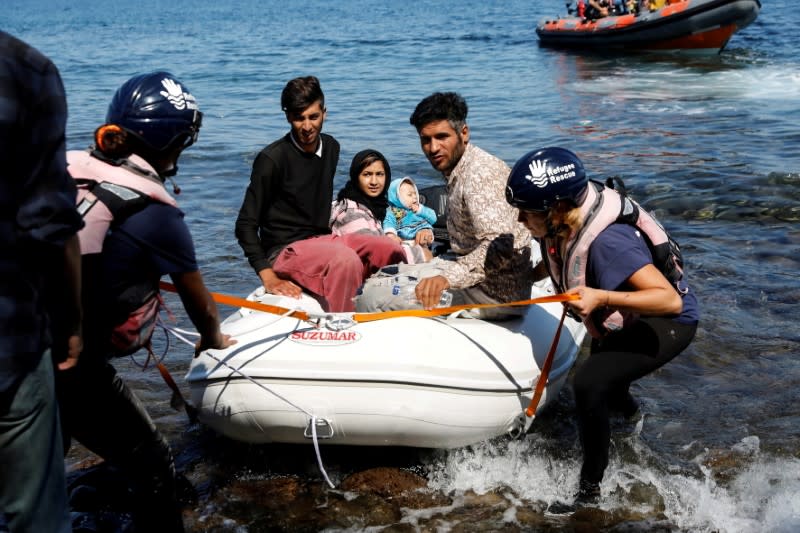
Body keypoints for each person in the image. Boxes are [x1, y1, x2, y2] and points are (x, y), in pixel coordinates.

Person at [58, 71, 236, 532]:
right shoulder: (156, 215)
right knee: (155, 463)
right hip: (70, 367)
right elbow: (202, 308)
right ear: (175, 144)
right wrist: (212, 339)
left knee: (32, 471)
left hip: (17, 344)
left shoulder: (62, 168)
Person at [506, 146, 699, 505]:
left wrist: (601, 297)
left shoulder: (609, 243)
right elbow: (560, 261)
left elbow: (669, 300)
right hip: (628, 317)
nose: (520, 220)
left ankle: (589, 493)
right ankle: (634, 423)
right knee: (609, 384)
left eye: (526, 212)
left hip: (668, 320)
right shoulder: (564, 222)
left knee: (589, 383)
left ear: (558, 208)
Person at [0, 30, 82, 533]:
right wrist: (71, 318)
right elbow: (51, 225)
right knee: (36, 519)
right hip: (10, 341)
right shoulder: (25, 70)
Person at [235, 76, 406, 312]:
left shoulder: (331, 148)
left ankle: (390, 308)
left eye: (313, 117)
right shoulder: (272, 160)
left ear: (324, 113)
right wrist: (267, 275)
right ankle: (344, 325)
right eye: (299, 118)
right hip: (285, 249)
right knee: (345, 261)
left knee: (388, 248)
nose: (307, 127)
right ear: (288, 117)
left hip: (323, 240)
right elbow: (245, 224)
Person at [356, 92, 532, 320]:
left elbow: (502, 245)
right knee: (382, 276)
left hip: (493, 294)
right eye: (425, 140)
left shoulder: (479, 176)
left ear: (464, 133)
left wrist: (447, 279)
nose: (433, 148)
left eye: (441, 137)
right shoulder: (461, 166)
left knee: (368, 297)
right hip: (474, 274)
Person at [330, 149, 432, 263]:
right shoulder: (350, 212)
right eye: (367, 174)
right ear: (356, 177)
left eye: (379, 174)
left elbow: (404, 223)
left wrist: (423, 230)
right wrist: (420, 255)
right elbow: (372, 252)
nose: (374, 181)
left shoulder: (379, 206)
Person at [383, 176, 437, 252]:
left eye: (415, 193)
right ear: (397, 198)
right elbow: (388, 222)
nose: (415, 197)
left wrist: (420, 210)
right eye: (410, 195)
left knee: (426, 241)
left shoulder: (419, 208)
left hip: (424, 234)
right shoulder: (393, 211)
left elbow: (433, 218)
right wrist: (390, 234)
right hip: (405, 241)